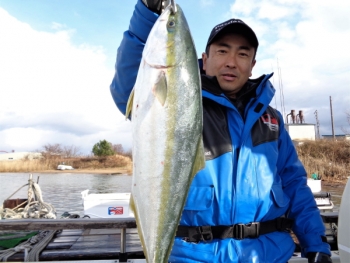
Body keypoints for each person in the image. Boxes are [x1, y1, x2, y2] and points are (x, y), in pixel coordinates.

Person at [110, 1, 332, 262]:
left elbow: (295, 184)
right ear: (204, 60)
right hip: (193, 255)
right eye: (222, 51)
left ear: (252, 64)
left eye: (242, 54)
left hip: (267, 255)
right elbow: (130, 85)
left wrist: (316, 243)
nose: (231, 62)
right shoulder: (181, 103)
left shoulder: (271, 119)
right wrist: (148, 13)